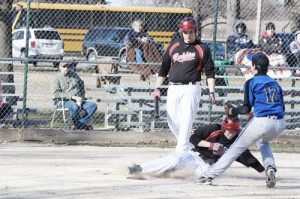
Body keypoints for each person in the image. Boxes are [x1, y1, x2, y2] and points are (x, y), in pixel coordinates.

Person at [197, 52, 286, 188]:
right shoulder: (275, 83)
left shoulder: (251, 81)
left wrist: (232, 111)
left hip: (262, 122)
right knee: (263, 142)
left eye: (252, 64)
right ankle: (270, 168)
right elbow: (281, 107)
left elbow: (245, 109)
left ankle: (208, 176)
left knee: (234, 149)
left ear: (255, 66)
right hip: (280, 124)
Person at [152, 17, 216, 152]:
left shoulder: (202, 48)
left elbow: (209, 72)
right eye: (185, 32)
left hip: (191, 88)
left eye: (191, 32)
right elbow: (163, 69)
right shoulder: (174, 46)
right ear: (181, 32)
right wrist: (157, 88)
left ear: (196, 31)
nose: (188, 35)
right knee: (172, 121)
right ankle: (192, 147)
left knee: (186, 121)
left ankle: (180, 153)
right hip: (173, 88)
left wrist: (212, 91)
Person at [128, 116, 264, 177]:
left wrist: (266, 172)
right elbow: (192, 138)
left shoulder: (237, 143)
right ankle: (140, 168)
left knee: (203, 177)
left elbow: (250, 160)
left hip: (208, 168)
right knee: (175, 160)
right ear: (223, 128)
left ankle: (167, 171)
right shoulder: (214, 129)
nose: (231, 133)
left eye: (234, 131)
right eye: (229, 130)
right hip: (194, 157)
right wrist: (211, 145)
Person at [51, 63, 97, 130]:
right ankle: (80, 126)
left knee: (93, 106)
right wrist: (72, 97)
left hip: (79, 100)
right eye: (64, 66)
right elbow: (56, 94)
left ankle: (79, 124)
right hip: (64, 101)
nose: (66, 68)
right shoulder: (56, 78)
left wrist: (82, 95)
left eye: (68, 66)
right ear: (60, 67)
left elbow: (81, 84)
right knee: (75, 107)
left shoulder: (74, 75)